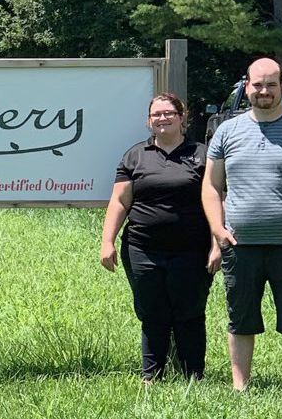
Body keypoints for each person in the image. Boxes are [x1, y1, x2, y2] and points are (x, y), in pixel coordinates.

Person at [202, 56, 282, 390]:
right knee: (241, 319)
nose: (264, 91)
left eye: (271, 85)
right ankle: (240, 388)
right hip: (239, 245)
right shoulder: (226, 131)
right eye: (258, 84)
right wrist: (218, 230)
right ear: (247, 87)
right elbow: (211, 186)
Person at [100, 92, 218, 382]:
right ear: (149, 120)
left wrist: (217, 244)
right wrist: (107, 241)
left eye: (169, 113)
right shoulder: (135, 155)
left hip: (193, 249)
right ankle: (151, 376)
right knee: (152, 313)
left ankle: (193, 375)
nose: (162, 118)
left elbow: (218, 199)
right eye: (156, 114)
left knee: (189, 312)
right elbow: (119, 202)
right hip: (142, 248)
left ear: (182, 118)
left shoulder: (202, 154)